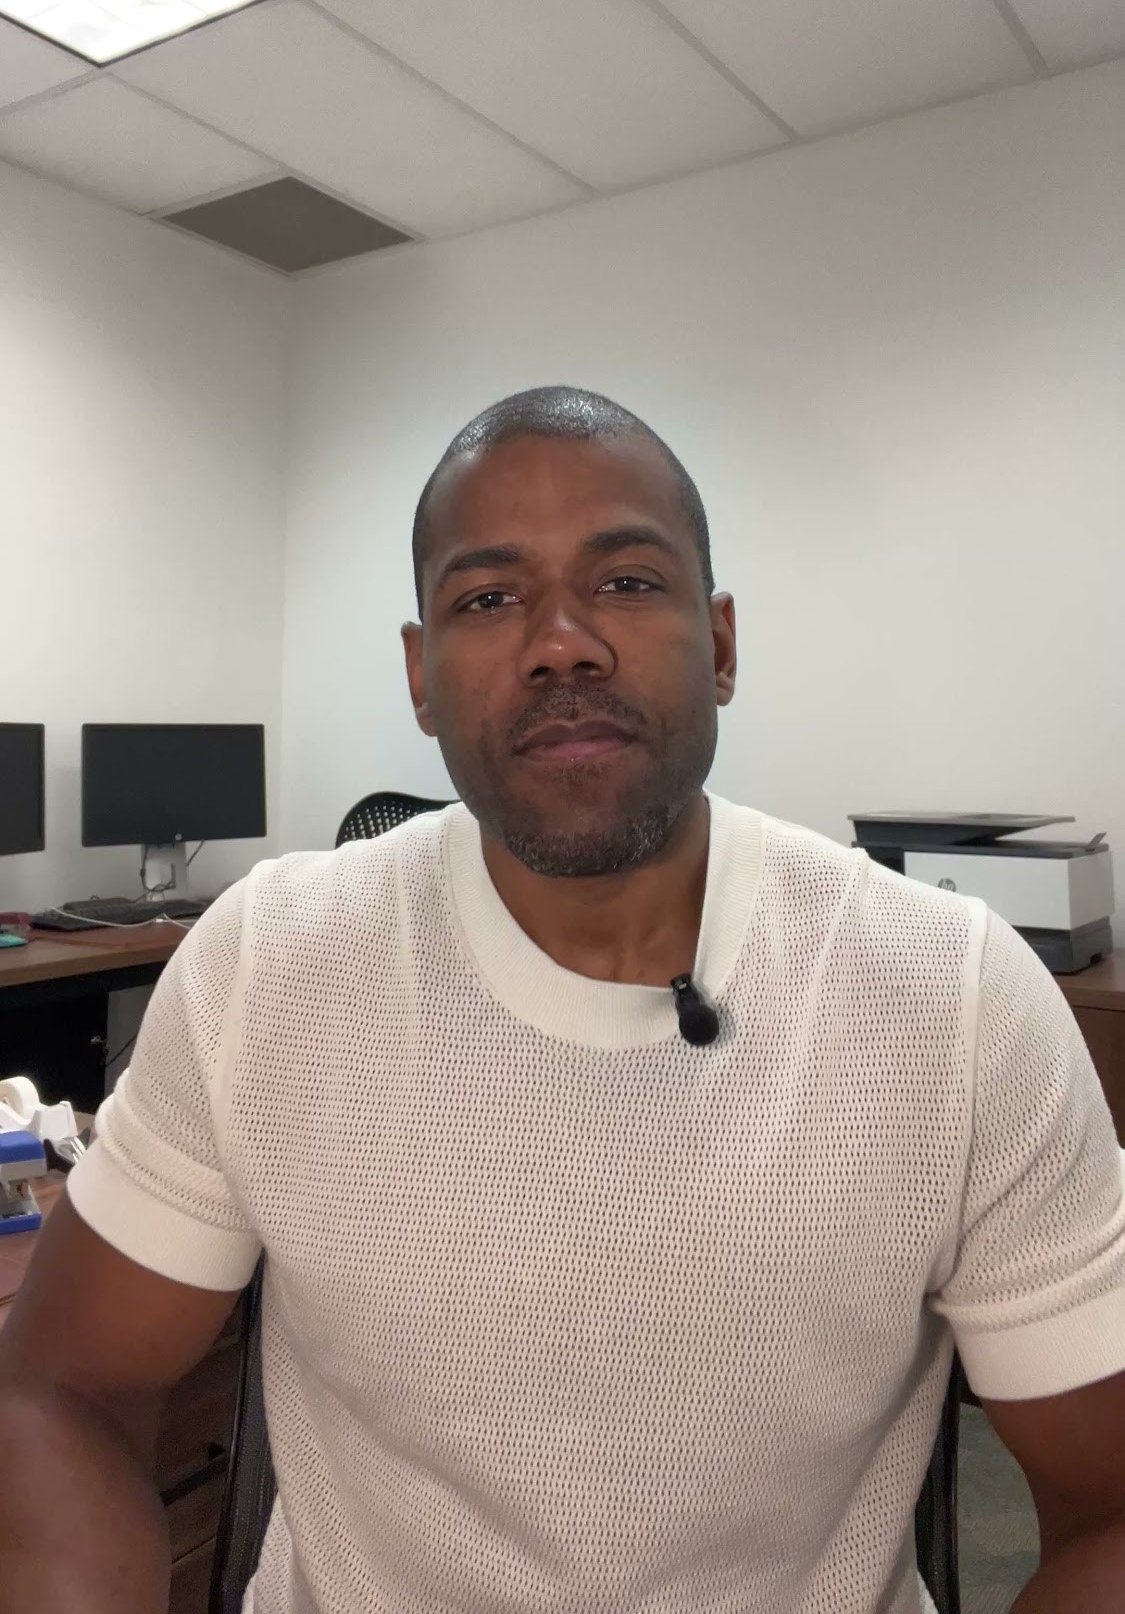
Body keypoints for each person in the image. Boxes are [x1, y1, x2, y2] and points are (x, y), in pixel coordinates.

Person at [1, 384, 1123, 1614]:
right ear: (421, 677)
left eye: (628, 581)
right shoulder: (268, 963)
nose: (562, 641)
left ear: (723, 643)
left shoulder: (958, 1002)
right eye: (490, 598)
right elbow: (59, 1390)